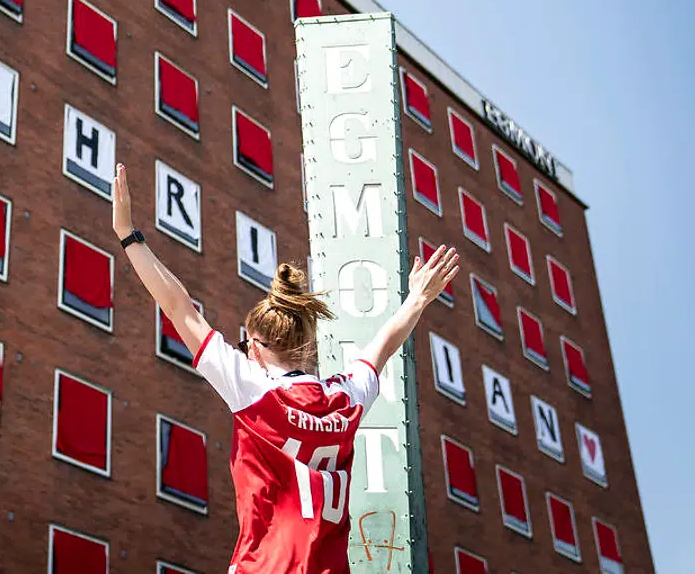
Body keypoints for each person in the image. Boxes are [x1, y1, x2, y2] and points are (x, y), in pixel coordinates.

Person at [110, 163, 460, 574]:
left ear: (256, 348)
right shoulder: (344, 400)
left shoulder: (252, 390)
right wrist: (416, 299)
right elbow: (383, 346)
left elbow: (178, 306)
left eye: (244, 346)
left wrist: (129, 235)